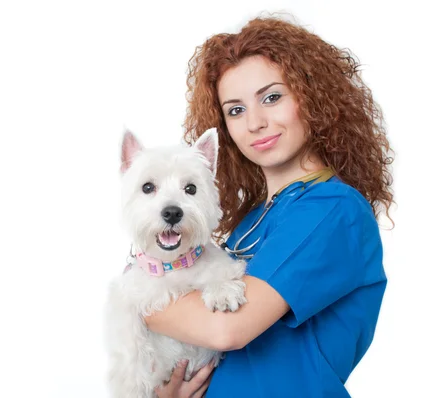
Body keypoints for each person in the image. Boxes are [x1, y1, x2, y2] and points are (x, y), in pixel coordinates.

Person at [144, 15, 394, 398]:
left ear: (310, 97)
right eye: (236, 110)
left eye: (272, 97)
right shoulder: (253, 220)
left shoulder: (332, 209)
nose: (255, 123)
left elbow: (226, 329)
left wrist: (136, 300)